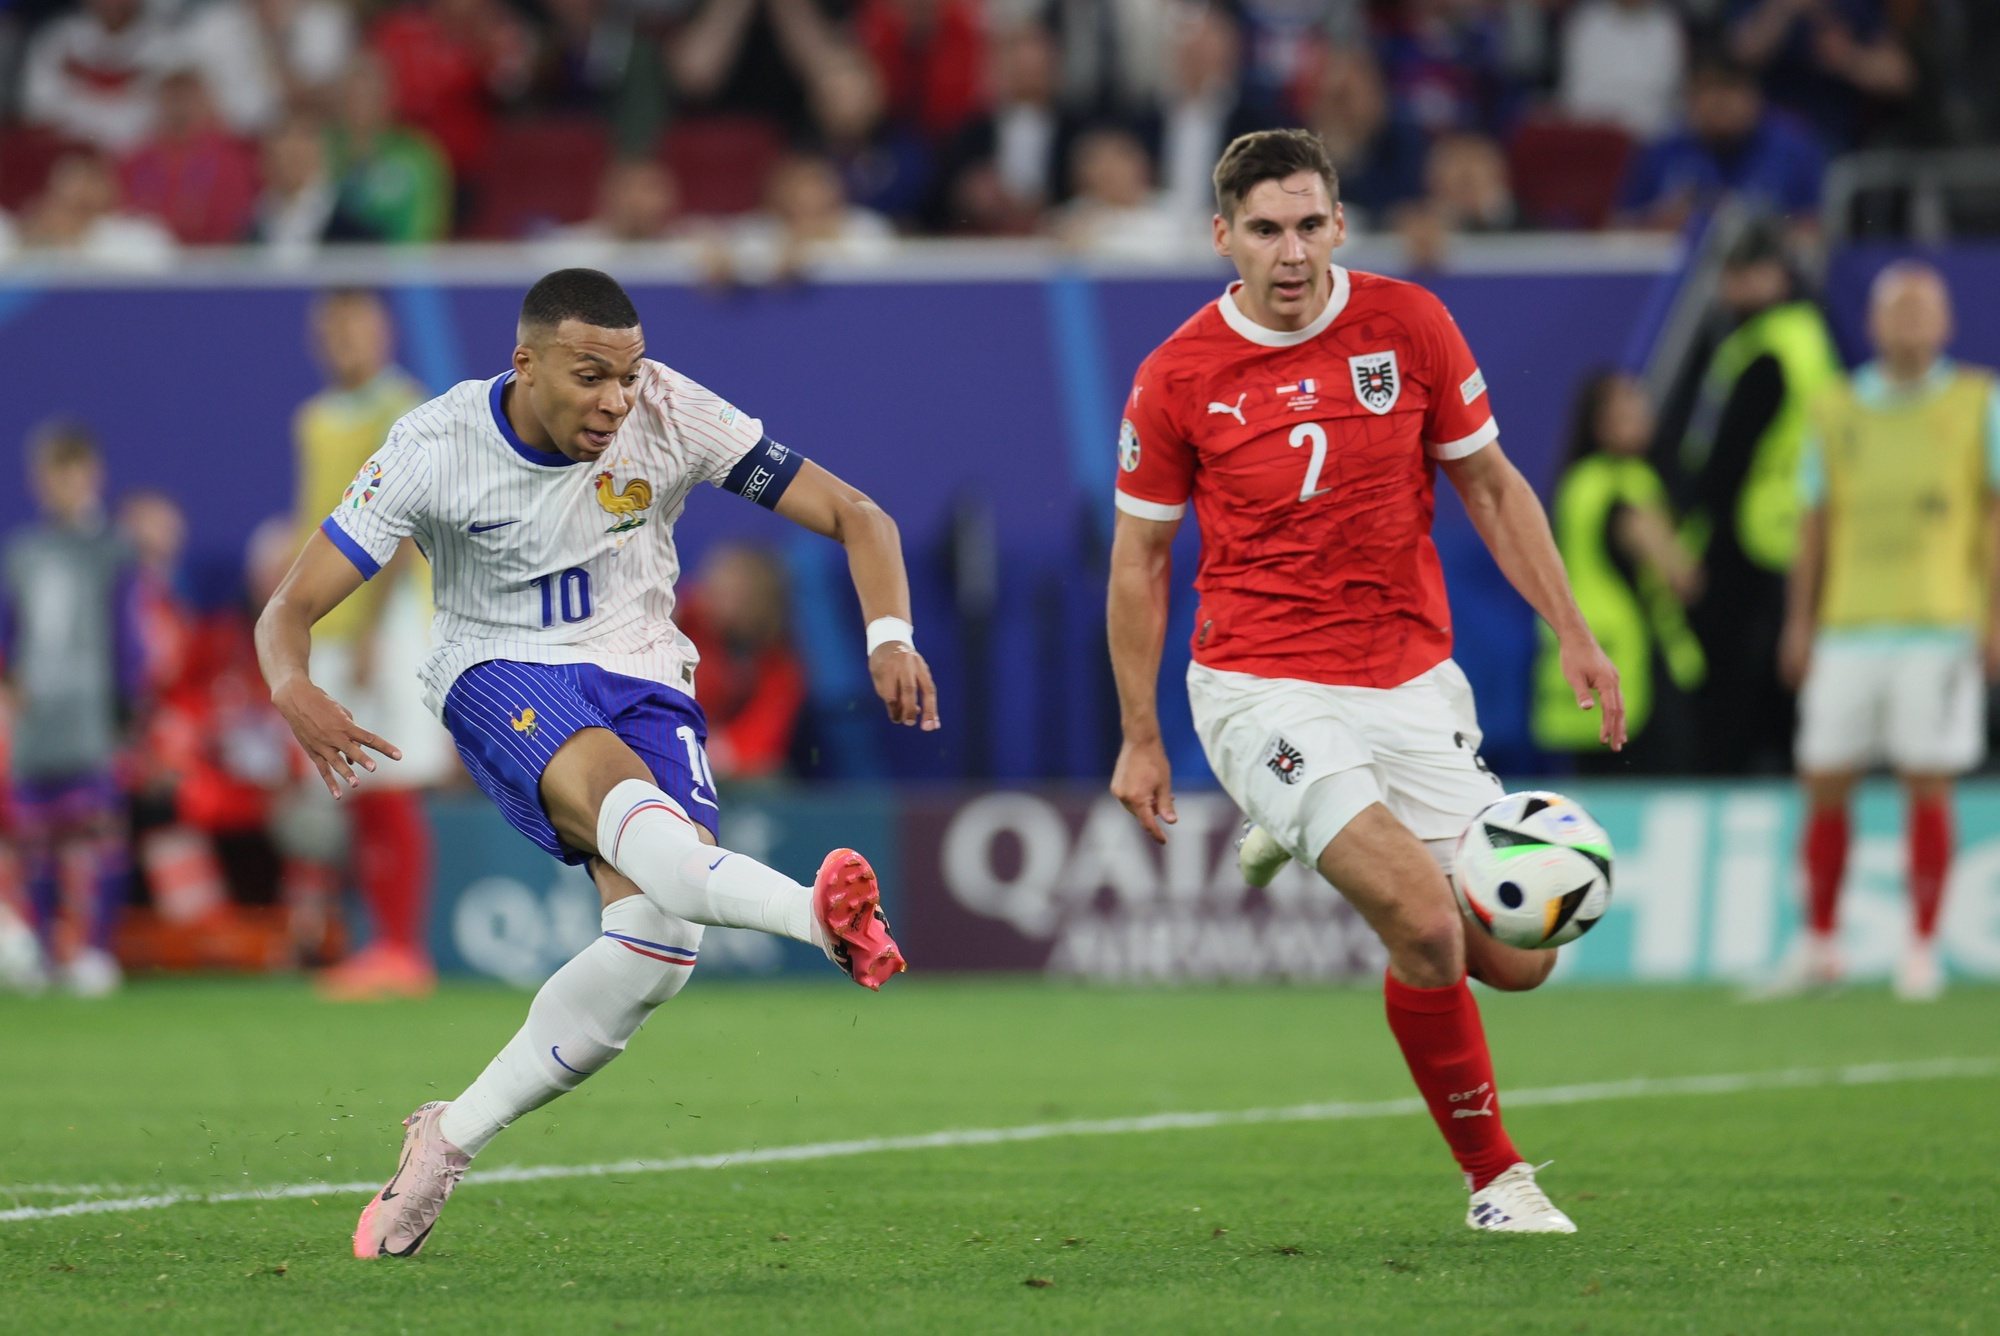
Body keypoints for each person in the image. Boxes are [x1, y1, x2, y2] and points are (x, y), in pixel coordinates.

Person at [255, 268, 936, 1257]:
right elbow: (288, 606)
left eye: (626, 374)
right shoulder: (434, 443)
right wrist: (290, 686)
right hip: (493, 666)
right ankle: (812, 916)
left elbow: (858, 515)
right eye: (590, 377)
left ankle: (444, 1139)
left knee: (657, 949)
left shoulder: (669, 411)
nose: (615, 400)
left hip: (643, 673)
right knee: (628, 806)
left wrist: (888, 634)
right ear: (524, 363)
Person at [1107, 130, 1623, 1235]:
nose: (1287, 253)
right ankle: (1496, 1181)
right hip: (1260, 686)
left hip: (1405, 681)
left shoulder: (1410, 324)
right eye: (1262, 230)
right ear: (1221, 238)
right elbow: (1140, 561)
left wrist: (1572, 630)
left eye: (1306, 225)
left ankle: (1291, 822)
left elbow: (1487, 485)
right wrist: (1139, 734)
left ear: (1338, 223)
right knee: (1426, 930)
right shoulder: (1176, 376)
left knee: (1512, 959)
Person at [1768, 261, 1999, 1002]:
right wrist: (1798, 622)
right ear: (1870, 323)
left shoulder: (1978, 402)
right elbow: (1814, 522)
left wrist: (1993, 615)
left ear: (1947, 323)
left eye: (1923, 308)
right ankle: (1820, 943)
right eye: (1896, 308)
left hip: (1938, 623)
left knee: (1925, 779)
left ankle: (1922, 948)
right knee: (1823, 778)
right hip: (1846, 624)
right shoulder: (1834, 408)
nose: (1909, 321)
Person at [290, 289, 455, 1000]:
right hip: (330, 621)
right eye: (334, 330)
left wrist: (373, 619)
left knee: (392, 781)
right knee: (353, 787)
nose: (345, 342)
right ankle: (376, 945)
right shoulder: (316, 419)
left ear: (383, 333)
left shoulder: (405, 409)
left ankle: (401, 947)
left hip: (385, 620)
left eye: (357, 328)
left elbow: (402, 519)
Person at [1679, 224, 1842, 774]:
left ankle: (1735, 776)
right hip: (1803, 527)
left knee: (1734, 673)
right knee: (1788, 674)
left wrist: (1695, 517)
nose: (1734, 287)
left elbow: (1731, 452)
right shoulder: (1809, 336)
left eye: (1744, 274)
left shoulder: (1766, 347)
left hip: (1753, 530)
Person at [0, 422, 142, 996]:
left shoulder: (114, 550)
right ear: (39, 480)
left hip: (92, 716)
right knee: (37, 842)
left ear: (93, 475)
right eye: (52, 473)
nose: (63, 484)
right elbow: (8, 634)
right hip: (38, 719)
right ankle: (42, 950)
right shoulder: (24, 553)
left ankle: (95, 951)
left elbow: (128, 636)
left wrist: (127, 709)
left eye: (73, 470)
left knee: (97, 834)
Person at [1533, 372, 1704, 771]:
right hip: (1634, 669)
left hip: (1578, 665)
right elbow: (1682, 576)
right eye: (1628, 409)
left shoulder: (1575, 486)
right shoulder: (1628, 485)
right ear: (1601, 423)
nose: (1643, 416)